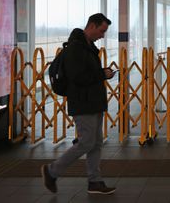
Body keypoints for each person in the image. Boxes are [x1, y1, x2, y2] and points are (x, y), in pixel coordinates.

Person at [41, 13, 117, 195]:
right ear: (91, 26)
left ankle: (95, 182)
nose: (103, 35)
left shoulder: (88, 47)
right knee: (86, 143)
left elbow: (87, 73)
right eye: (102, 30)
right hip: (83, 103)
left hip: (93, 102)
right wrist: (102, 74)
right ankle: (52, 171)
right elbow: (78, 77)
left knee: (96, 143)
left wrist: (102, 72)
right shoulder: (76, 48)